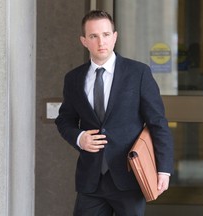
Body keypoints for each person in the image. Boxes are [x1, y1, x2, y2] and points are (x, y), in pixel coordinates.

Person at [55, 10, 173, 216]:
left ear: (115, 37)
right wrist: (79, 137)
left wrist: (163, 169)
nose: (101, 41)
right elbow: (64, 119)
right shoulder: (73, 78)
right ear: (84, 41)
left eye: (106, 35)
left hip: (129, 176)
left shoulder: (138, 73)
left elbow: (157, 122)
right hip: (90, 180)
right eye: (93, 36)